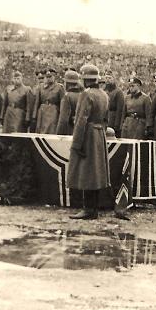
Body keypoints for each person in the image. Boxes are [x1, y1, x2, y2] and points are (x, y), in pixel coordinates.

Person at [69, 65, 111, 220]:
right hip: (100, 134)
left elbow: (81, 120)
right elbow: (107, 119)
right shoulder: (104, 95)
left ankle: (88, 208)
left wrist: (77, 143)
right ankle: (93, 208)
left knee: (86, 172)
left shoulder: (86, 95)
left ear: (85, 79)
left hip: (88, 134)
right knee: (96, 172)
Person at [34, 68, 65, 134]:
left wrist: (61, 115)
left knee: (51, 130)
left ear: (54, 77)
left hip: (53, 112)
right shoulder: (40, 87)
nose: (49, 78)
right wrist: (34, 116)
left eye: (50, 77)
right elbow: (37, 102)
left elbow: (62, 103)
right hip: (42, 112)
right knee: (41, 132)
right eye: (47, 77)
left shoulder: (59, 87)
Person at [56, 70, 82, 135]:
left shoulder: (67, 97)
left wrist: (58, 134)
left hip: (69, 131)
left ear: (67, 83)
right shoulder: (83, 95)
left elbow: (63, 119)